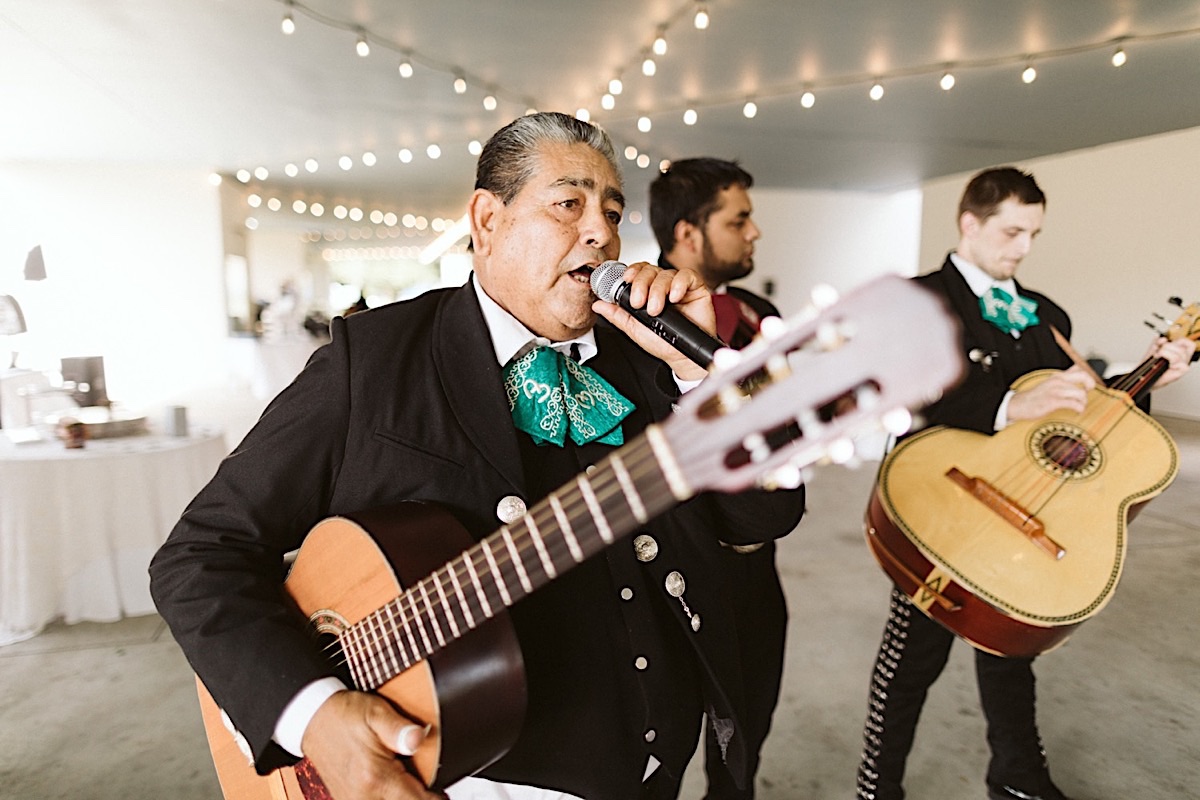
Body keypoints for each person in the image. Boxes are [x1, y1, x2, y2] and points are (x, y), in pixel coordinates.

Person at [149, 112, 806, 800]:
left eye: (613, 212)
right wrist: (314, 716)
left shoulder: (647, 360)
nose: (602, 233)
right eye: (569, 204)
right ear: (487, 220)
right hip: (467, 772)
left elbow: (766, 518)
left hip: (654, 768)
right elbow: (199, 555)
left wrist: (702, 377)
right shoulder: (371, 361)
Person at [853, 166, 1197, 800]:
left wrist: (1150, 381)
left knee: (1012, 650)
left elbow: (1081, 421)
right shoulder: (920, 299)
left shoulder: (1047, 316)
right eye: (1012, 231)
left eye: (1033, 234)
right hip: (945, 507)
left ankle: (1016, 775)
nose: (1023, 248)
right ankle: (879, 787)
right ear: (970, 223)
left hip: (1025, 510)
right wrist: (1009, 408)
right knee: (909, 661)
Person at [649, 157, 789, 800]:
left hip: (756, 569)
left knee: (743, 747)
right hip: (664, 572)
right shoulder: (620, 321)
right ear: (687, 233)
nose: (754, 232)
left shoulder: (764, 316)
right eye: (739, 220)